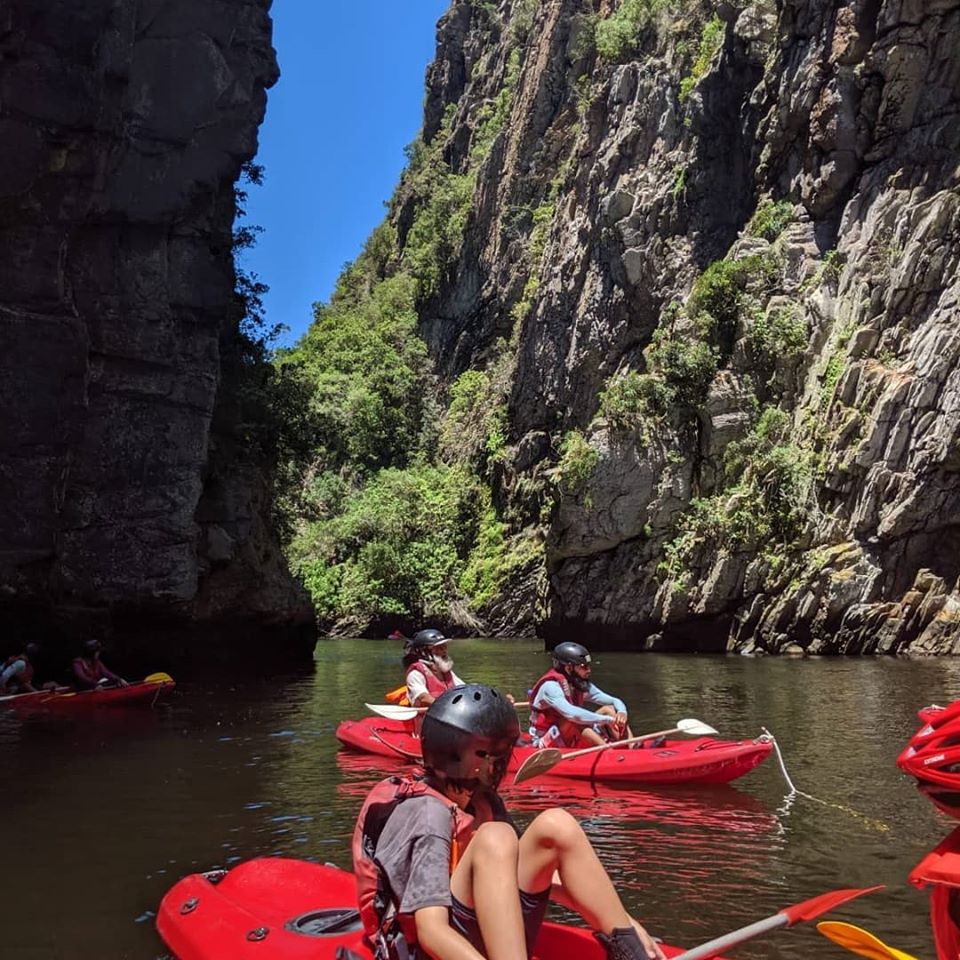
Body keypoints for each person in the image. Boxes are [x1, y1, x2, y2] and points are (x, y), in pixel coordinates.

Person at [352, 683, 665, 960]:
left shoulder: (482, 800)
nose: (502, 763)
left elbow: (525, 873)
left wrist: (620, 920)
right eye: (495, 754)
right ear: (467, 759)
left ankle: (631, 952)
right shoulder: (428, 816)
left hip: (472, 926)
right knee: (496, 838)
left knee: (556, 825)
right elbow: (431, 932)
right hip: (430, 950)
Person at [528, 642, 635, 749]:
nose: (589, 670)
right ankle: (609, 753)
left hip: (568, 733)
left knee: (609, 709)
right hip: (546, 740)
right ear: (569, 668)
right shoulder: (551, 687)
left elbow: (614, 701)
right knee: (574, 719)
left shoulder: (579, 684)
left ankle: (631, 745)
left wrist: (622, 712)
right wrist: (606, 720)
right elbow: (573, 714)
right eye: (584, 667)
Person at [403, 629, 466, 708]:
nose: (444, 651)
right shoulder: (415, 674)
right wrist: (448, 706)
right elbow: (423, 698)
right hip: (427, 718)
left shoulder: (446, 671)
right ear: (424, 652)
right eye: (439, 648)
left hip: (450, 713)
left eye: (444, 646)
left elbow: (465, 689)